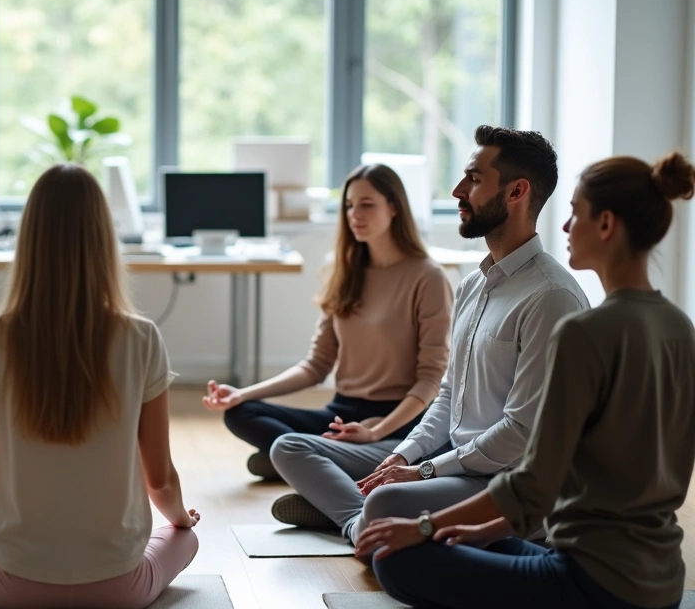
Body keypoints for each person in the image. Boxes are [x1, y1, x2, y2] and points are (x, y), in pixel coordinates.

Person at [357, 152, 695, 609]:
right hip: (662, 583)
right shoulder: (680, 326)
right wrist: (480, 530)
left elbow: (533, 483)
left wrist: (423, 525)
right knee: (453, 539)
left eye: (575, 213)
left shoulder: (582, 329)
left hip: (591, 583)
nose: (565, 226)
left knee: (395, 560)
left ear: (606, 224)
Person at [0, 164, 199, 609]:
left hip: (14, 587)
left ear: (28, 240)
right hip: (121, 589)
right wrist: (180, 520)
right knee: (185, 538)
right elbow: (161, 480)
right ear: (104, 241)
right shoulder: (142, 338)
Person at [342, 125, 589, 546]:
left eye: (474, 179)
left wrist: (424, 471)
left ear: (516, 192)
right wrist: (404, 455)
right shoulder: (473, 285)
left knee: (383, 503)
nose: (458, 191)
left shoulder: (551, 297)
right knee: (375, 488)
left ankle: (356, 522)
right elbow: (448, 394)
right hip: (461, 467)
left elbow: (520, 433)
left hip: (509, 484)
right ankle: (367, 525)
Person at [205, 164, 452, 488]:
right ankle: (320, 459)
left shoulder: (428, 277)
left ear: (394, 207)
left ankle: (303, 460)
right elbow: (316, 366)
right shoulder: (342, 269)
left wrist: (376, 431)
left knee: (414, 443)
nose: (354, 214)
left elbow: (431, 380)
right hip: (341, 411)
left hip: (398, 417)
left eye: (367, 204)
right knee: (240, 413)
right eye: (349, 205)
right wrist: (241, 394)